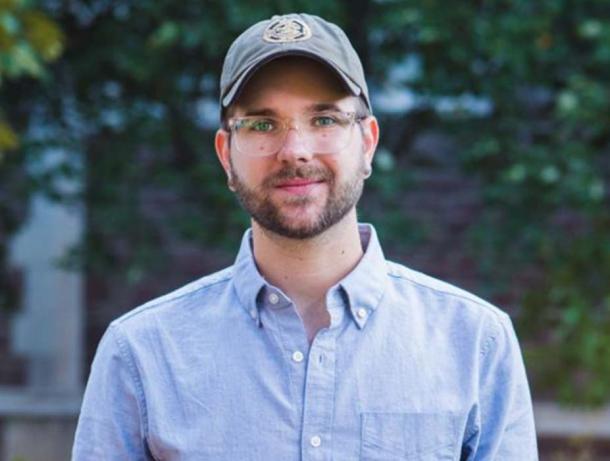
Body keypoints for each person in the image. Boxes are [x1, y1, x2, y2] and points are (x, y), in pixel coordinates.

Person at [72, 13, 538, 460]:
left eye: (325, 120)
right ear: (225, 155)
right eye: (261, 124)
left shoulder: (476, 343)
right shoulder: (141, 353)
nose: (294, 151)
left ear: (368, 143)